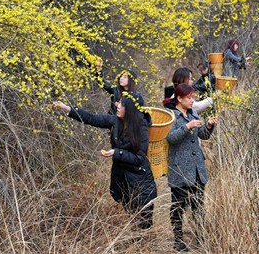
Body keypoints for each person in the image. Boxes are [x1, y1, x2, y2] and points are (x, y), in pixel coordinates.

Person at [52, 92, 157, 229]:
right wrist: (68, 109)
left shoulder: (141, 127)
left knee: (144, 223)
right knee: (132, 218)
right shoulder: (115, 121)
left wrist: (117, 152)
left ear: (130, 109)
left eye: (122, 104)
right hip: (122, 180)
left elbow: (139, 158)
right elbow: (91, 118)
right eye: (118, 102)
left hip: (140, 182)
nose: (117, 105)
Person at [163, 84, 218, 252]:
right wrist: (187, 127)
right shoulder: (172, 116)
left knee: (198, 207)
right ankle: (178, 241)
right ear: (179, 99)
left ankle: (201, 239)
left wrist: (208, 125)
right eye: (189, 98)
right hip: (180, 168)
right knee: (178, 207)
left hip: (197, 169)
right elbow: (170, 139)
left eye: (193, 97)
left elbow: (202, 135)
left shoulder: (193, 112)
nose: (193, 101)